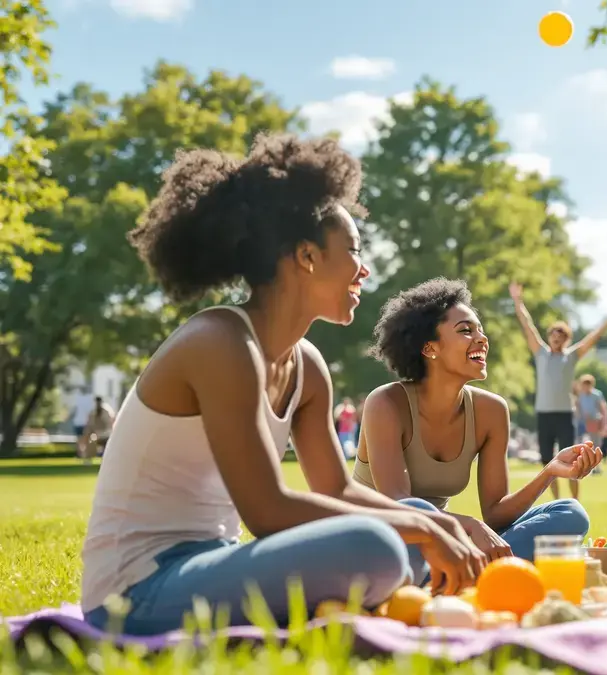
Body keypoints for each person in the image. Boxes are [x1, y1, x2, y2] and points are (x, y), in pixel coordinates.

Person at [80, 134, 486, 636]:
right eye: (354, 251)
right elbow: (267, 510)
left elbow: (335, 489)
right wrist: (420, 529)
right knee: (382, 544)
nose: (365, 270)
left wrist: (435, 522)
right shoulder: (219, 343)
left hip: (216, 563)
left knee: (415, 513)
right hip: (134, 592)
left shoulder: (307, 367)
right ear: (307, 256)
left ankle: (364, 593)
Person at [352, 278, 602, 563]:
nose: (481, 339)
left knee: (569, 513)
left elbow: (495, 514)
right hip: (381, 538)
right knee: (409, 545)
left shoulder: (491, 411)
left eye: (480, 331)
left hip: (445, 537)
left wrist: (549, 472)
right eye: (465, 331)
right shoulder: (386, 404)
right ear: (429, 348)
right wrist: (469, 526)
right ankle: (476, 567)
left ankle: (470, 568)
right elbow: (399, 507)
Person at [509, 282, 607, 500]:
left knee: (572, 461)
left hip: (564, 416)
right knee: (547, 462)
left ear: (566, 339)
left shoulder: (571, 356)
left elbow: (594, 336)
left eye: (561, 335)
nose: (556, 337)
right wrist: (517, 300)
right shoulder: (540, 353)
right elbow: (527, 325)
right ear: (549, 336)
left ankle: (574, 502)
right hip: (544, 414)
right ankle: (556, 503)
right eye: (553, 334)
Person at [575, 374, 607, 468]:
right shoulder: (580, 395)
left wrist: (605, 424)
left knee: (595, 445)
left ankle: (596, 467)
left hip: (594, 422)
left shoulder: (596, 394)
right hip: (583, 422)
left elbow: (603, 409)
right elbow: (578, 408)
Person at [81, 396, 115, 463]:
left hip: (107, 434)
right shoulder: (93, 412)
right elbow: (89, 425)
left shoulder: (107, 411)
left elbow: (109, 424)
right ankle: (88, 459)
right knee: (90, 440)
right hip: (97, 434)